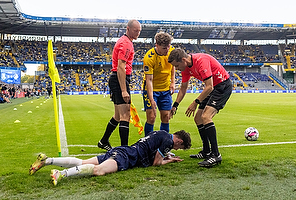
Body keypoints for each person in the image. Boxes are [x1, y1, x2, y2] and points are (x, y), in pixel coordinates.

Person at [29, 130, 191, 186]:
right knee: (99, 171)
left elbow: (151, 148)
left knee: (84, 162)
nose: (176, 148)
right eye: (179, 147)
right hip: (127, 157)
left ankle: (47, 160)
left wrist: (166, 154)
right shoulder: (169, 141)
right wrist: (170, 159)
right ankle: (61, 173)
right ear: (179, 141)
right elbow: (156, 163)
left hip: (122, 149)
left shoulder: (161, 133)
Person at [168, 48, 232, 168]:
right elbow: (183, 88)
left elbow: (209, 86)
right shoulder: (186, 67)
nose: (176, 69)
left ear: (183, 60)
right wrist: (175, 105)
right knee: (198, 118)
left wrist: (195, 102)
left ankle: (216, 155)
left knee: (206, 116)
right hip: (213, 88)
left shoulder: (200, 61)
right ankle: (206, 151)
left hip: (222, 86)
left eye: (176, 66)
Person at [98, 19, 142, 150]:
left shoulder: (125, 42)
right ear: (128, 29)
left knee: (118, 116)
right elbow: (121, 66)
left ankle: (103, 141)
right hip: (119, 79)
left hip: (117, 79)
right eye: (135, 30)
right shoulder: (126, 43)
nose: (138, 33)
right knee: (125, 115)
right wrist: (124, 90)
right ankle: (124, 149)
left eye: (139, 31)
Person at [142, 32, 175, 136]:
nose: (167, 50)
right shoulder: (149, 58)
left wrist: (173, 82)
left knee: (166, 117)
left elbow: (173, 66)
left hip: (165, 89)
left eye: (168, 47)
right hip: (152, 89)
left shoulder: (172, 52)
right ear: (157, 45)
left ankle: (163, 145)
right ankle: (147, 146)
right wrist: (151, 99)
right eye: (164, 48)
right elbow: (149, 80)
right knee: (151, 117)